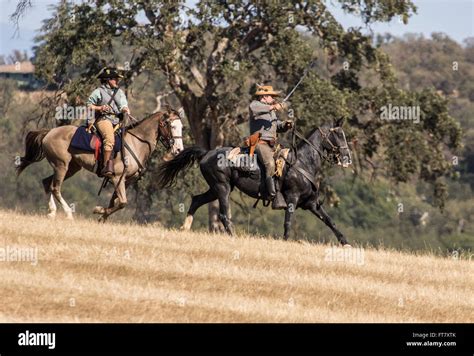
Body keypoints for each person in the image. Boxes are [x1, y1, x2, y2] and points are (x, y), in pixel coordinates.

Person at [249, 85, 293, 209]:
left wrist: (285, 125)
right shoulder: (255, 105)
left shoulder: (271, 112)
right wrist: (273, 106)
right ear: (264, 97)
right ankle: (272, 195)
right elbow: (254, 109)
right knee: (270, 164)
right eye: (271, 96)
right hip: (260, 143)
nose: (273, 98)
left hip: (273, 145)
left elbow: (276, 125)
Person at [87, 67, 130, 178]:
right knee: (110, 139)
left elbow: (123, 104)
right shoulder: (98, 91)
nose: (117, 81)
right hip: (103, 119)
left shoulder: (119, 92)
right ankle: (106, 166)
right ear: (108, 80)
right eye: (115, 79)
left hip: (117, 119)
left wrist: (125, 108)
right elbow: (89, 105)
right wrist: (100, 107)